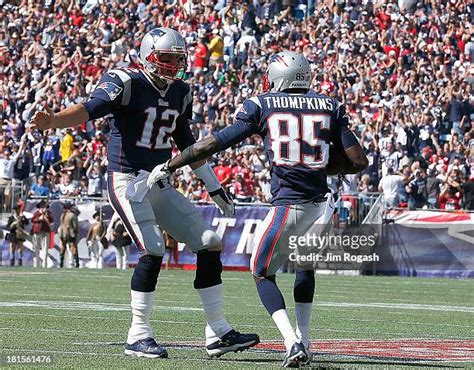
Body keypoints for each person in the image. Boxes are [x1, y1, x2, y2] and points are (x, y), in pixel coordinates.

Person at [31, 27, 258, 359]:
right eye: (165, 59)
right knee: (153, 248)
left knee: (209, 242)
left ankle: (218, 332)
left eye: (177, 60)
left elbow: (188, 145)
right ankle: (137, 335)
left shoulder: (181, 91)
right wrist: (54, 121)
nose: (172, 66)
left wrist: (214, 186)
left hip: (158, 180)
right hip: (126, 180)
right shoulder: (126, 81)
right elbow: (89, 109)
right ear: (149, 56)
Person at [148, 51, 368, 367]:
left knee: (261, 271)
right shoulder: (331, 106)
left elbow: (214, 144)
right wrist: (316, 169)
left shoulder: (263, 104)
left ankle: (292, 343)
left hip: (289, 206)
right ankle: (305, 339)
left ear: (279, 76)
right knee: (305, 268)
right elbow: (358, 161)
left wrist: (172, 164)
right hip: (323, 206)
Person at [31, 199, 54, 268]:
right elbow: (33, 220)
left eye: (44, 207)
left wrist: (46, 215)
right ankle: (36, 264)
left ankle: (44, 264)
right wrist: (39, 218)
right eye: (42, 207)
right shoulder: (36, 213)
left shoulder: (48, 213)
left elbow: (51, 220)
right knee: (36, 248)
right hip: (37, 232)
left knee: (45, 248)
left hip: (45, 232)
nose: (43, 208)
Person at [58, 202, 79, 268]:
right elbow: (75, 226)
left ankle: (61, 262)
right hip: (70, 233)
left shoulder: (62, 215)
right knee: (73, 247)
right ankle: (76, 263)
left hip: (62, 233)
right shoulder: (72, 215)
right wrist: (76, 233)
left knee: (63, 247)